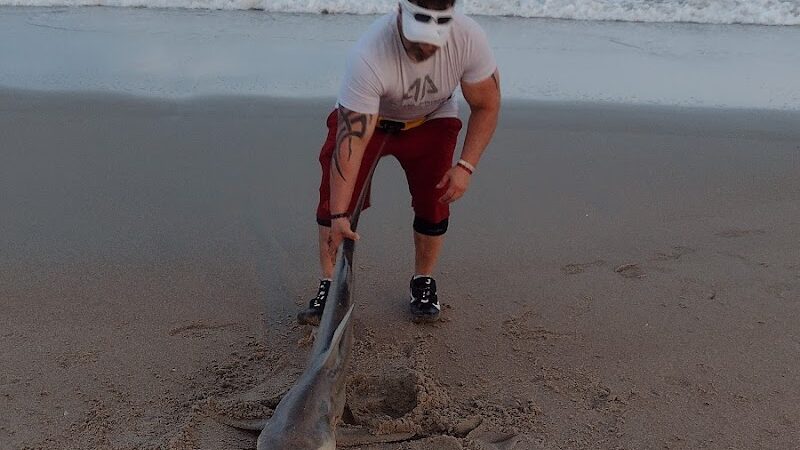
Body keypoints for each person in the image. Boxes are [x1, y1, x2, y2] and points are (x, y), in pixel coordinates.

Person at [298, 0, 501, 325]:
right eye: (415, 39)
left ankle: (423, 281)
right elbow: (351, 142)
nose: (423, 48)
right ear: (400, 15)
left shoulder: (469, 39)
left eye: (432, 42)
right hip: (369, 121)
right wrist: (339, 214)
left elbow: (487, 104)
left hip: (431, 120)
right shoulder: (369, 54)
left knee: (434, 203)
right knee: (334, 205)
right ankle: (330, 284)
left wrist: (466, 166)